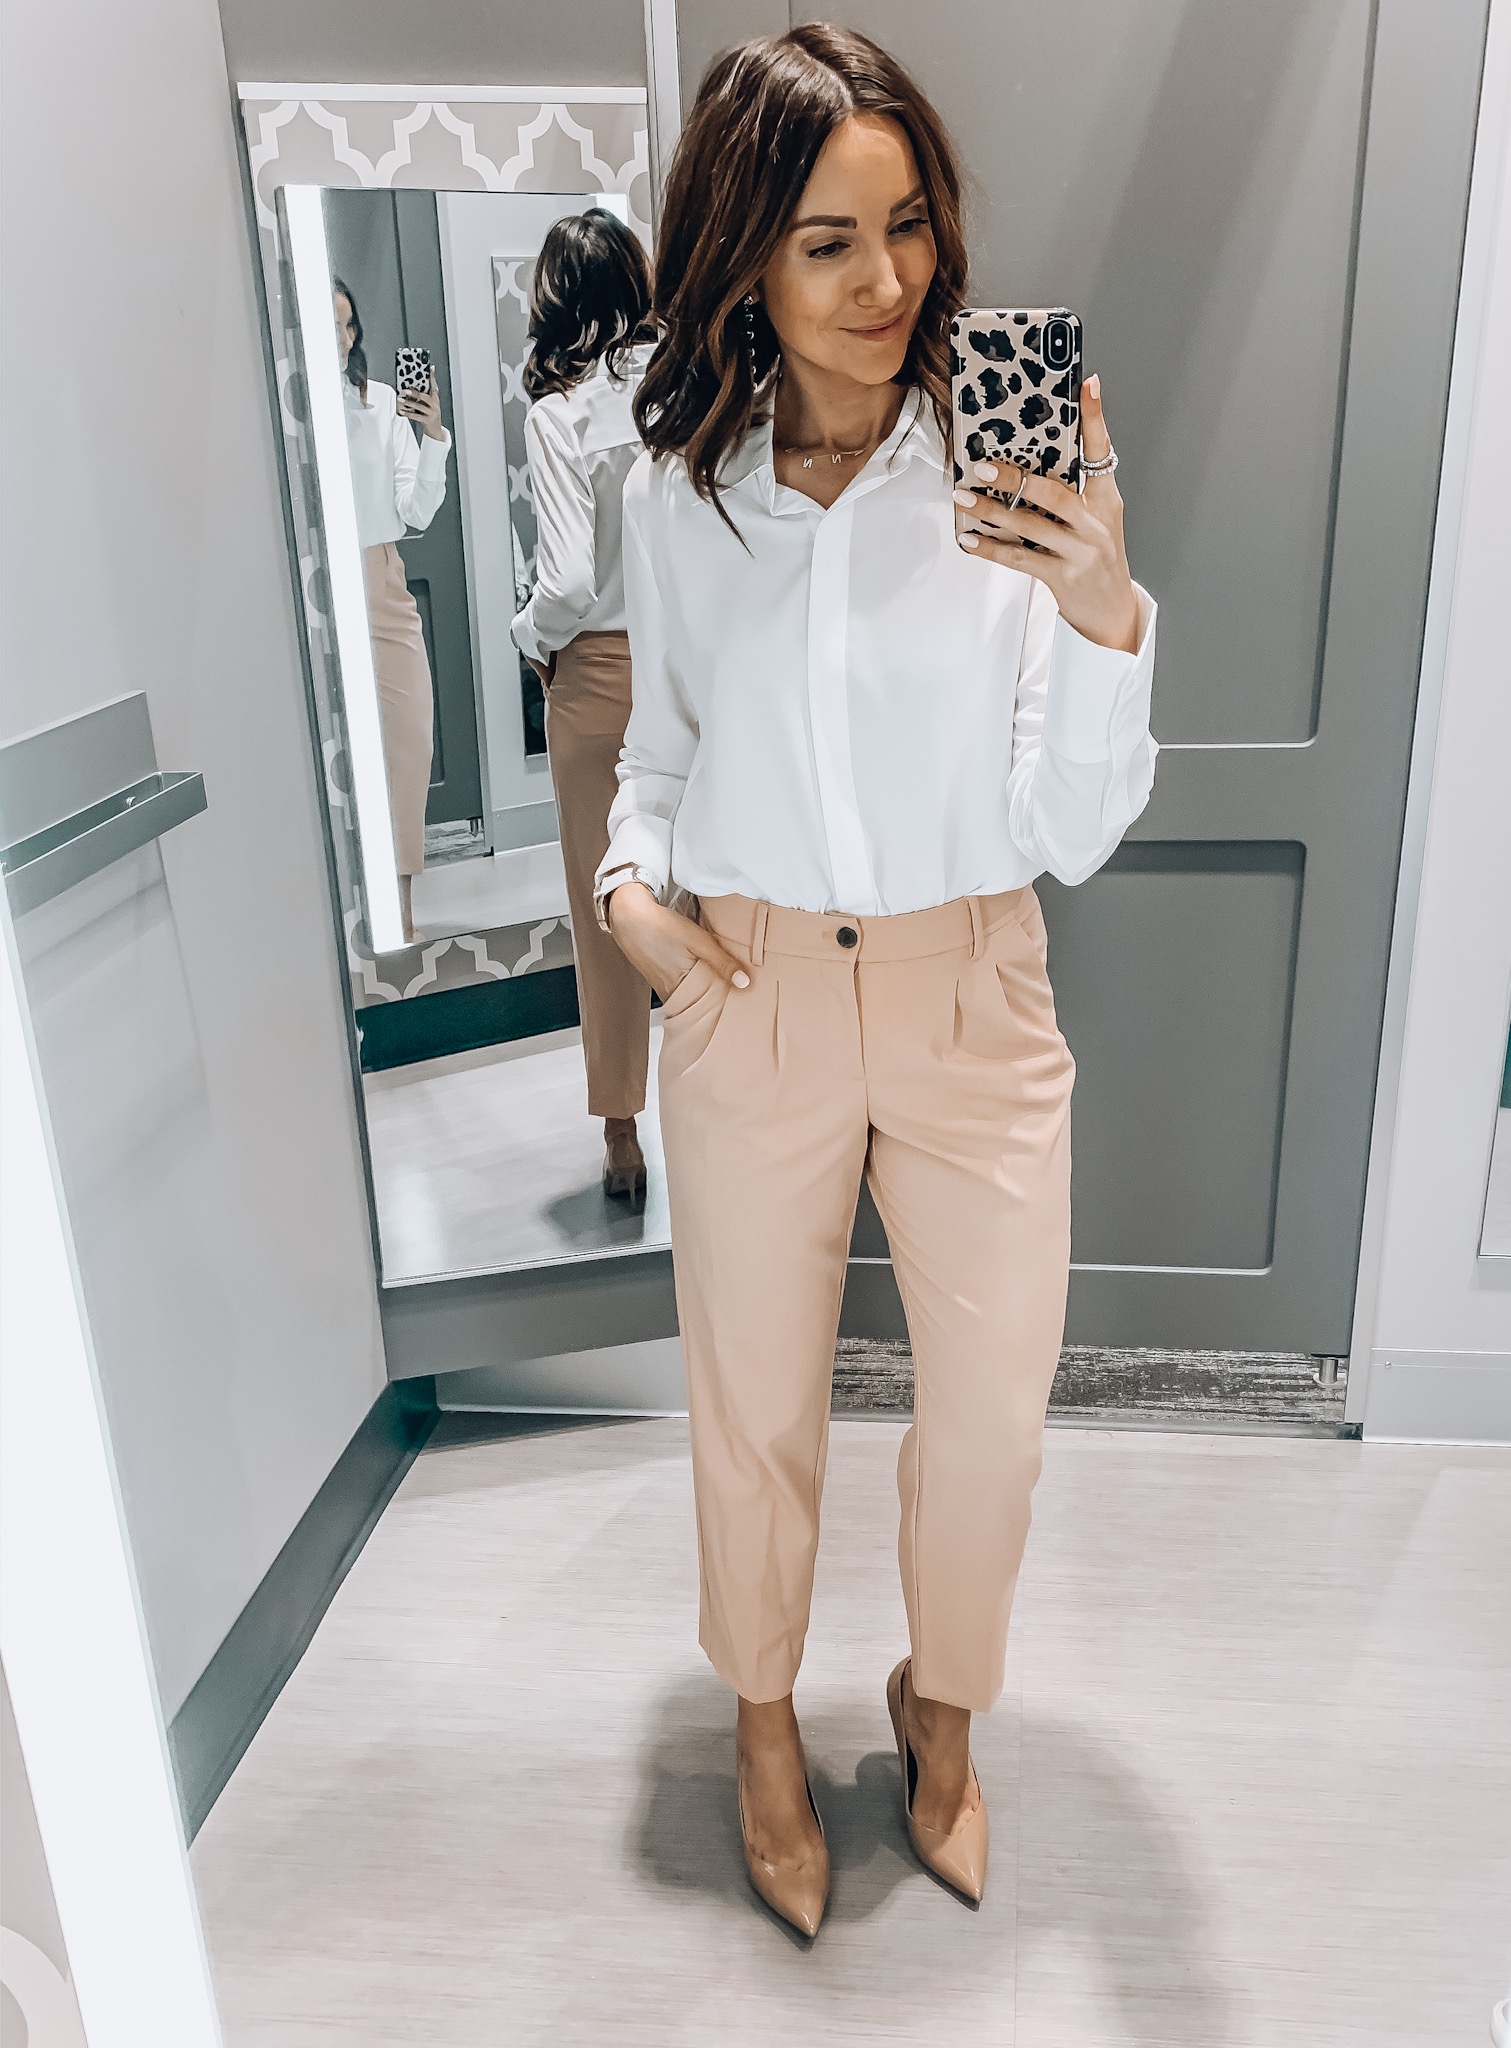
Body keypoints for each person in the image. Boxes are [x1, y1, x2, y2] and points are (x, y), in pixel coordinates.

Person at [596, 26, 1157, 1936]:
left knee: (989, 1412)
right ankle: (760, 1719)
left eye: (909, 226)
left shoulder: (994, 482)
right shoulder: (689, 500)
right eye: (827, 239)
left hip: (969, 988)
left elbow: (1067, 825)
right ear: (745, 254)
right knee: (750, 1399)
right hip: (747, 985)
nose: (888, 282)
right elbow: (655, 764)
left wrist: (1103, 620)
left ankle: (944, 1700)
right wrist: (634, 908)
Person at [511, 210, 657, 1200]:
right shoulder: (677, 390)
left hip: (598, 677)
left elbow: (565, 580)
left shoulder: (557, 413)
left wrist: (527, 634)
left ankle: (620, 1131)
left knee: (604, 903)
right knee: (709, 889)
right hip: (692, 664)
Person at [334, 278, 450, 946]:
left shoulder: (378, 404)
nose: (344, 339)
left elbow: (417, 511)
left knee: (406, 744)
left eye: (350, 326)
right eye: (330, 325)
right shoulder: (296, 413)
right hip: (316, 587)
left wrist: (430, 435)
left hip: (379, 576)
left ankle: (399, 914)